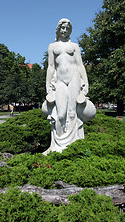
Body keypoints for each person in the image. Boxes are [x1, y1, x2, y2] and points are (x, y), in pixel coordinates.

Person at [42, 18, 96, 154]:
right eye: (62, 28)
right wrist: (47, 85)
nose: (64, 30)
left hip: (74, 79)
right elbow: (50, 67)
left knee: (72, 113)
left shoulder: (75, 46)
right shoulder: (52, 47)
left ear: (70, 30)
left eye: (67, 28)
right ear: (58, 29)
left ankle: (74, 147)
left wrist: (86, 82)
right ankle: (57, 148)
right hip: (60, 81)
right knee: (60, 114)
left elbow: (79, 65)